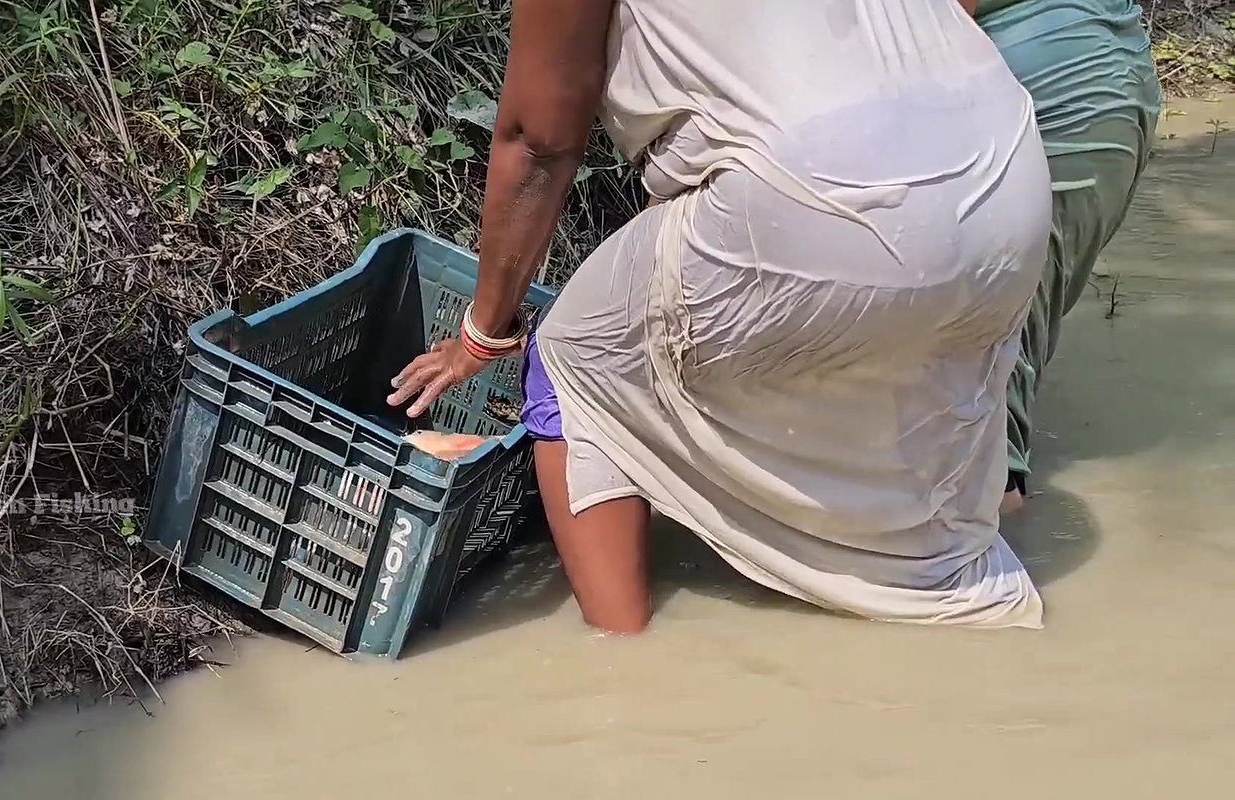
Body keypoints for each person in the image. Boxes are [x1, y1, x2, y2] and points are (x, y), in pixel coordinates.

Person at [388, 0, 1053, 633]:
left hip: (832, 192)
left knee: (575, 355)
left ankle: (617, 666)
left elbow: (538, 140)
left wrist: (484, 332)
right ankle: (963, 605)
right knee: (921, 449)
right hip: (1006, 176)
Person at [970, 0, 1162, 513]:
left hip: (1054, 100)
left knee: (981, 355)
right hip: (1104, 78)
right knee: (996, 342)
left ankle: (984, 536)